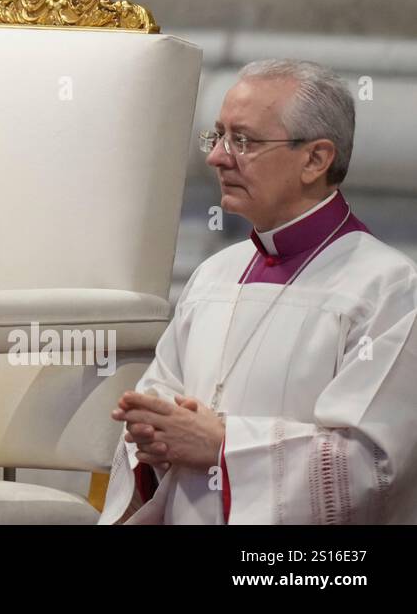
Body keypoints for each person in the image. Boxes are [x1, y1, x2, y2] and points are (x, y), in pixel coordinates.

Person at [101, 59, 417, 524]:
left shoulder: (387, 288)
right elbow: (163, 396)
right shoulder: (214, 275)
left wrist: (222, 446)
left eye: (243, 141)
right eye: (218, 136)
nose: (217, 157)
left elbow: (373, 465)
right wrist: (152, 434)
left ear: (315, 159)